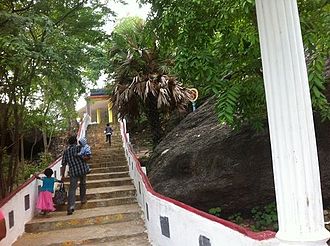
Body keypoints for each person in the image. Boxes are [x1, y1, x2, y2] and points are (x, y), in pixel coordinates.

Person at [61, 136, 89, 215]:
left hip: (73, 172)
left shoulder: (66, 152)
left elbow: (63, 164)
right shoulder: (79, 148)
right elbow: (87, 155)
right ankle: (83, 199)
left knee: (72, 189)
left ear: (69, 143)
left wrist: (62, 176)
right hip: (82, 169)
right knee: (83, 184)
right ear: (76, 141)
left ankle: (71, 207)